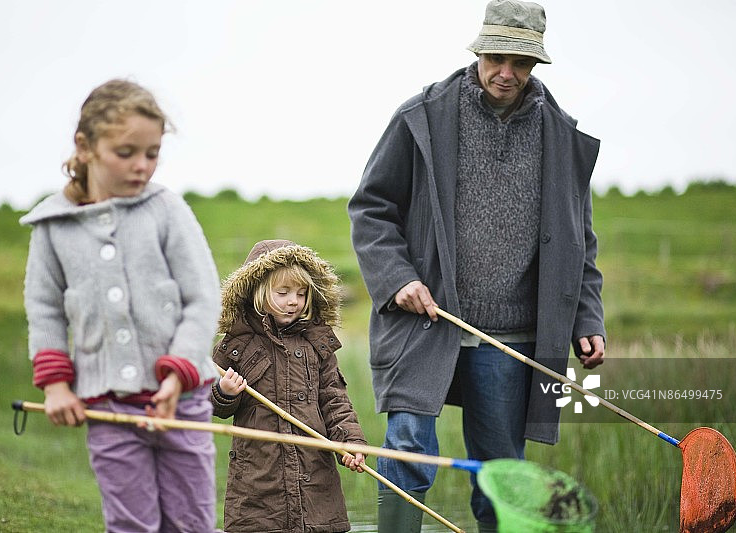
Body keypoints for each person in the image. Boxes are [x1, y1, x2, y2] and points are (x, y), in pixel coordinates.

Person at [347, 0, 606, 530]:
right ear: (478, 50)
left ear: (535, 65)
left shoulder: (561, 136)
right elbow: (371, 209)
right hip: (425, 322)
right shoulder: (421, 116)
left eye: (520, 62)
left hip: (511, 338)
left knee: (500, 472)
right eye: (496, 58)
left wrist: (587, 319)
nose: (506, 73)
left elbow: (580, 241)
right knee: (406, 456)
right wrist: (398, 280)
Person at [21, 79, 222, 532]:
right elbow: (45, 310)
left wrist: (177, 373)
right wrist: (55, 386)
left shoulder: (168, 210)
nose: (141, 166)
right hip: (107, 408)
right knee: (131, 525)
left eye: (151, 154)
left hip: (182, 402)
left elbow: (202, 297)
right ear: (86, 146)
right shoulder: (52, 227)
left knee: (192, 523)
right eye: (126, 152)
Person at [212, 239, 367, 533]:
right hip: (258, 478)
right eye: (282, 293)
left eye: (301, 293)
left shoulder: (317, 343)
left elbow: (334, 399)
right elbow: (208, 402)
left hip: (314, 472)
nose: (293, 301)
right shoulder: (237, 345)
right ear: (258, 293)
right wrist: (224, 393)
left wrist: (350, 441)